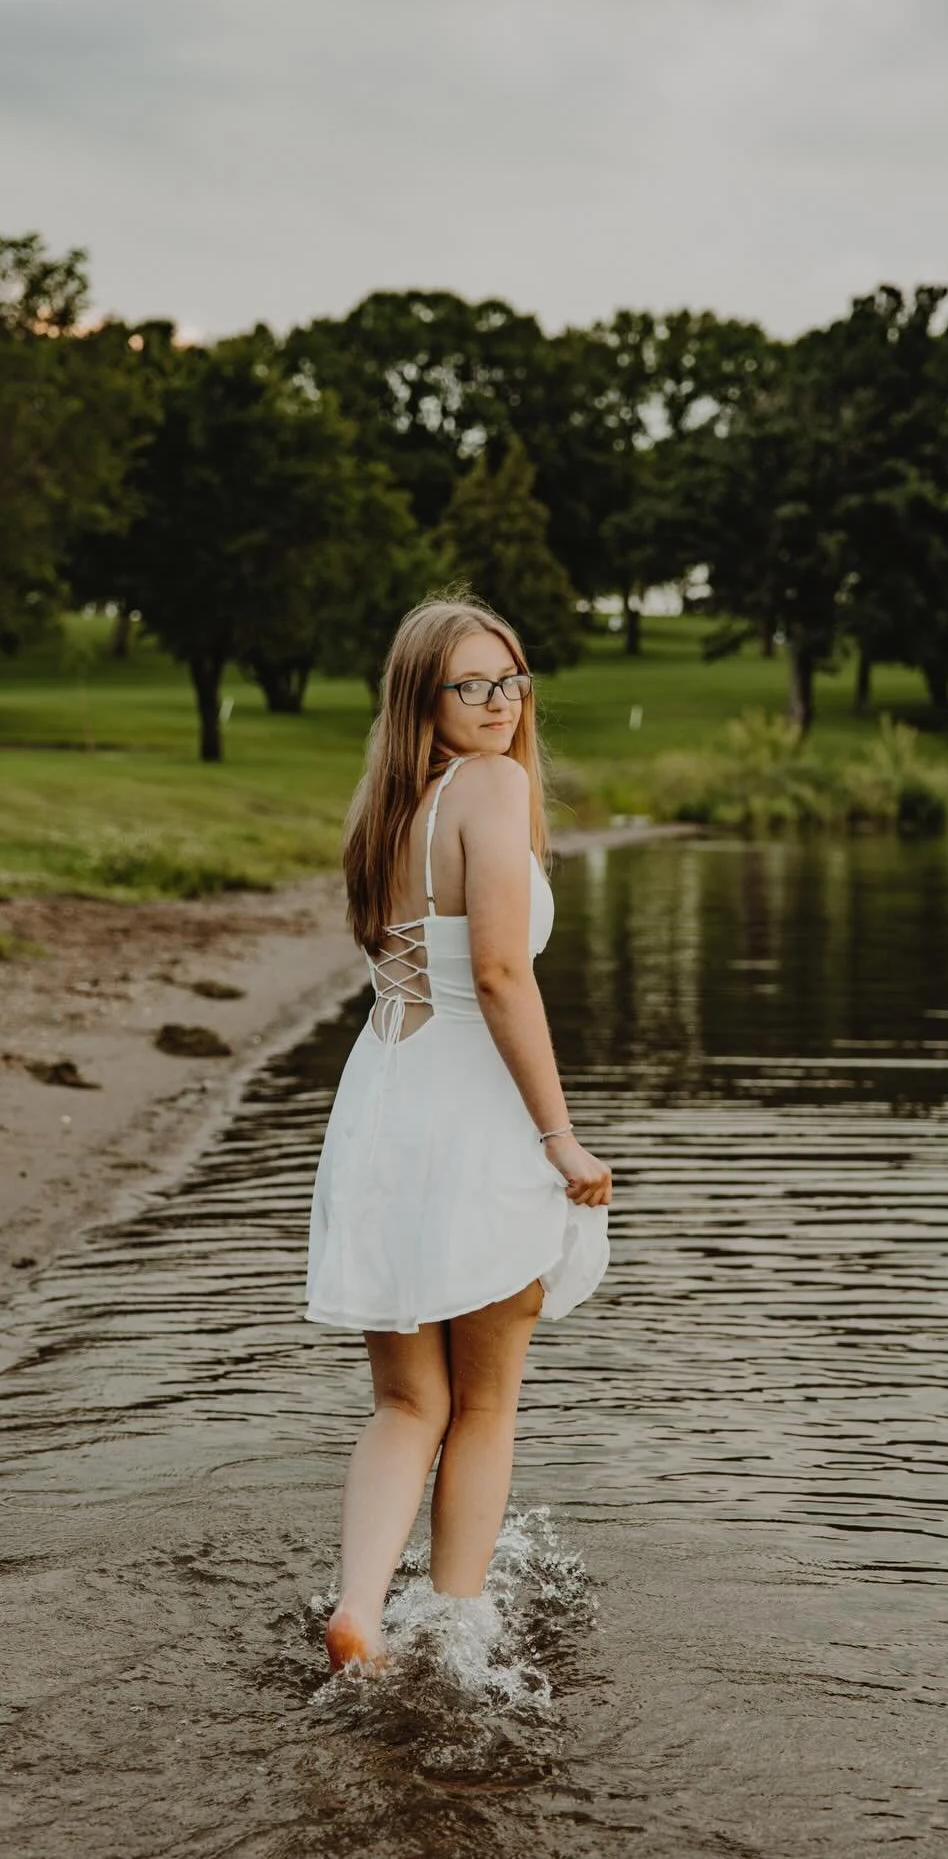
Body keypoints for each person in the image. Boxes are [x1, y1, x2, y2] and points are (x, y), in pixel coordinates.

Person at [306, 594, 612, 1672]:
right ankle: (460, 1626)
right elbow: (494, 972)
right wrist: (559, 1137)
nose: (499, 703)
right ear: (422, 700)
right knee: (482, 1405)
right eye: (470, 685)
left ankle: (358, 1612)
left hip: (380, 1114)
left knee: (406, 1401)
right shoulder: (492, 785)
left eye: (511, 678)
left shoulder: (389, 808)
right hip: (472, 1120)